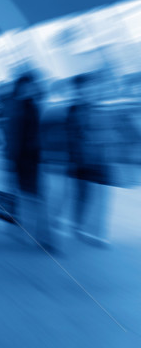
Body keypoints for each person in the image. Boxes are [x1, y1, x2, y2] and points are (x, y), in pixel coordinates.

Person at [5, 72, 52, 250]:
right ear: (19, 88)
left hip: (36, 156)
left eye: (31, 86)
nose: (28, 89)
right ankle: (29, 231)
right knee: (26, 195)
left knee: (37, 195)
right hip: (21, 156)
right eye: (25, 86)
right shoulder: (16, 106)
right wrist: (11, 157)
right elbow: (12, 133)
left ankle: (40, 233)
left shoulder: (36, 105)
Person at [66, 73, 112, 246]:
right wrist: (76, 158)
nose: (91, 90)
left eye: (92, 87)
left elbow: (106, 132)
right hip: (82, 161)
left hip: (100, 160)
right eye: (86, 87)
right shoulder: (73, 111)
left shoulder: (99, 108)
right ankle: (79, 226)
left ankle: (97, 232)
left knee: (100, 196)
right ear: (78, 90)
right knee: (82, 196)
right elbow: (72, 138)